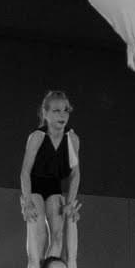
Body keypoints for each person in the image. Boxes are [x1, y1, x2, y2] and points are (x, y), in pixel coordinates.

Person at [18, 90, 81, 259]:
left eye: (65, 110)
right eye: (56, 110)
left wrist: (69, 203)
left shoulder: (72, 139)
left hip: (54, 187)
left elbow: (75, 174)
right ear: (45, 113)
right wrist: (28, 202)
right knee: (40, 236)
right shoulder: (37, 137)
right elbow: (24, 172)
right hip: (34, 187)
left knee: (58, 236)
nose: (62, 115)